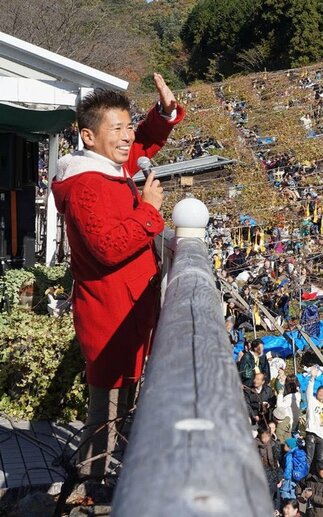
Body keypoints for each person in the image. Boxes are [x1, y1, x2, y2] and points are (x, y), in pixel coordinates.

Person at [52, 75, 185, 478]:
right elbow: (107, 248)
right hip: (110, 316)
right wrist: (148, 211)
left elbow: (141, 143)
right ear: (88, 137)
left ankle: (105, 477)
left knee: (122, 404)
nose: (127, 136)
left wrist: (163, 113)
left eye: (128, 125)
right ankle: (88, 483)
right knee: (107, 410)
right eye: (118, 129)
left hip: (125, 310)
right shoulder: (87, 185)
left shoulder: (103, 167)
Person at [305, 367, 323, 466]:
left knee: (320, 459)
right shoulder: (312, 401)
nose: (321, 393)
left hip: (322, 435)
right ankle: (304, 474)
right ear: (316, 392)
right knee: (309, 458)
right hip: (312, 432)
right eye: (320, 391)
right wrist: (312, 377)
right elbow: (309, 390)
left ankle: (317, 474)